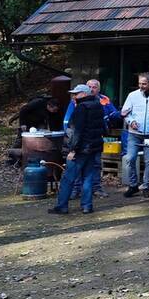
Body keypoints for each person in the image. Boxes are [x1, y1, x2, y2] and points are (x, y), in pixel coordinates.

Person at [49, 84, 105, 215]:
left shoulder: (81, 108)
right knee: (88, 177)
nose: (74, 96)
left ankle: (62, 206)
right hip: (94, 147)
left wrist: (72, 150)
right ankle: (87, 206)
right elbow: (102, 127)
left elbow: (77, 131)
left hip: (81, 149)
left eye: (76, 94)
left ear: (84, 94)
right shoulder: (98, 105)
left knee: (68, 178)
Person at [64, 79, 118, 200]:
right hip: (80, 142)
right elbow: (68, 122)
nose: (92, 89)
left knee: (95, 165)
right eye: (89, 87)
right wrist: (70, 137)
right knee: (78, 167)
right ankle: (76, 190)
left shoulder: (103, 101)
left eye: (94, 87)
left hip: (94, 141)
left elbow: (110, 117)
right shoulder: (75, 102)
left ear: (98, 89)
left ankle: (96, 189)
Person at [120, 73, 149, 198]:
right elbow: (124, 112)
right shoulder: (132, 95)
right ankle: (133, 185)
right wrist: (131, 121)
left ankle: (146, 186)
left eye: (144, 84)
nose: (141, 86)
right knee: (130, 158)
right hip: (134, 133)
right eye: (140, 83)